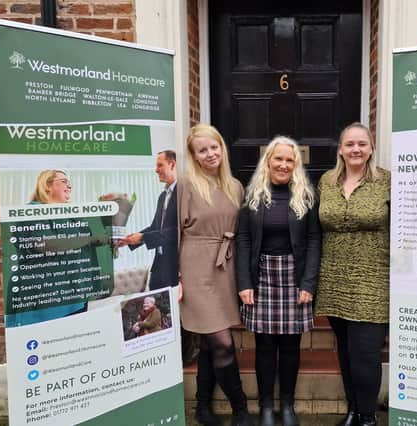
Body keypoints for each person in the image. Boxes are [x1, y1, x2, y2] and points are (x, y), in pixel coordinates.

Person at [236, 136, 321, 426]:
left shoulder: (306, 197)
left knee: (290, 347)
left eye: (289, 160)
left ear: (295, 164)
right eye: (278, 159)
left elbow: (313, 240)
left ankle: (287, 405)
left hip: (293, 277)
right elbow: (244, 240)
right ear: (268, 161)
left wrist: (308, 283)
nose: (283, 164)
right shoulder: (252, 196)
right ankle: (266, 408)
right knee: (264, 347)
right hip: (262, 277)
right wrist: (244, 282)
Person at [315, 123, 390, 426]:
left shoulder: (387, 181)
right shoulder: (326, 181)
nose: (356, 149)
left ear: (371, 147)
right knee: (345, 352)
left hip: (374, 278)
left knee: (367, 353)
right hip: (333, 277)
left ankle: (368, 417)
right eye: (350, 144)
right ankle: (352, 411)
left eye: (362, 144)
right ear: (340, 150)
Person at [177, 124, 251, 426]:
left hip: (225, 268)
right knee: (222, 342)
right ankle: (241, 408)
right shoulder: (185, 184)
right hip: (195, 268)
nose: (210, 154)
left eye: (214, 147)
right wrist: (177, 277)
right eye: (202, 150)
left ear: (222, 147)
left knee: (210, 342)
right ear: (193, 156)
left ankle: (202, 405)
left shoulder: (235, 186)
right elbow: (173, 235)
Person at [5, 170, 109, 327]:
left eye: (70, 182)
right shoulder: (31, 211)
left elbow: (82, 244)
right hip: (46, 299)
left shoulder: (72, 214)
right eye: (64, 181)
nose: (70, 186)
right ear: (47, 185)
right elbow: (44, 244)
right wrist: (90, 239)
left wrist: (108, 239)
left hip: (75, 296)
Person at [119, 150, 179, 290]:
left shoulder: (183, 193)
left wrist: (144, 237)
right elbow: (155, 228)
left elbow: (178, 231)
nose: (156, 170)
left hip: (176, 267)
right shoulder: (162, 197)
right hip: (159, 266)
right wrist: (129, 240)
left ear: (172, 164)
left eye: (160, 165)